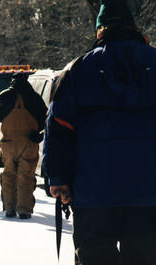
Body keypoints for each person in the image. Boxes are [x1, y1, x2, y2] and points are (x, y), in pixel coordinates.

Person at [42, 0, 156, 264]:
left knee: (94, 254)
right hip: (150, 191)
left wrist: (58, 177)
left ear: (100, 30)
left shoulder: (77, 70)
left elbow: (59, 126)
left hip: (94, 190)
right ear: (133, 27)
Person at [0, 72, 47, 219]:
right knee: (26, 176)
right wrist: (40, 135)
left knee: (9, 175)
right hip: (29, 143)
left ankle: (10, 208)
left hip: (8, 144)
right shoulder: (34, 97)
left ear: (12, 81)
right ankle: (24, 210)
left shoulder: (4, 96)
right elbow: (46, 119)